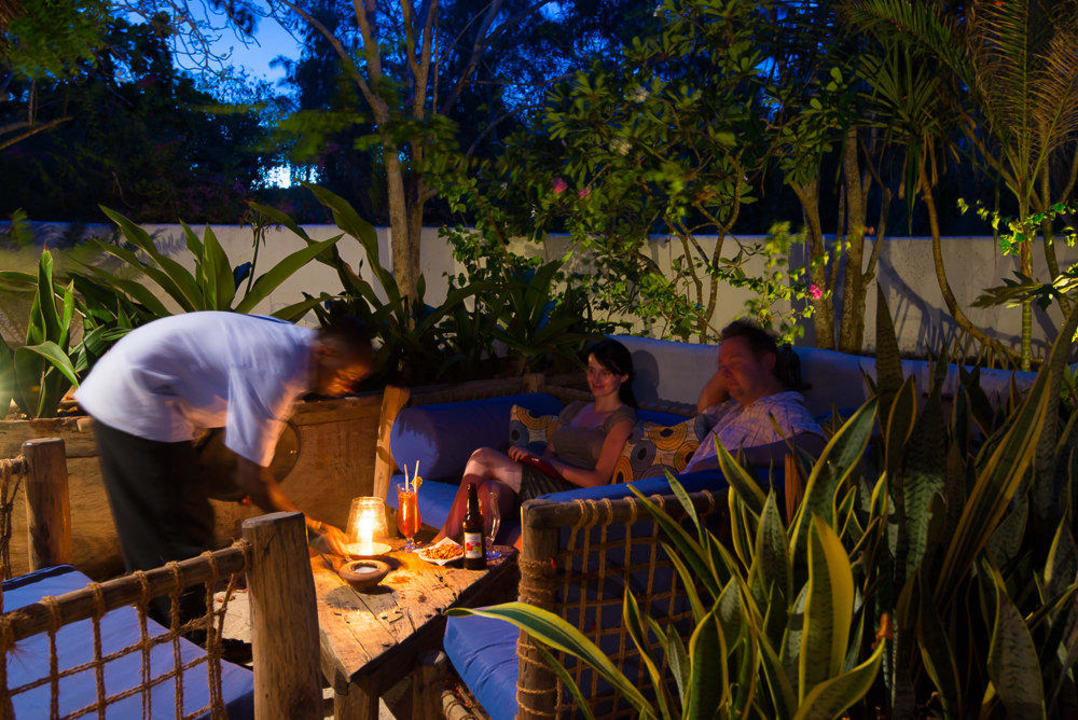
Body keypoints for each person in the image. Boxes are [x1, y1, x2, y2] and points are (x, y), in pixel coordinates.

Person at [75, 312, 374, 592]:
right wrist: (314, 530)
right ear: (326, 353)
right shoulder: (278, 369)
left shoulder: (293, 349)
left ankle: (169, 628)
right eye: (347, 376)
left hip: (140, 388)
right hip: (135, 393)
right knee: (177, 543)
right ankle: (184, 637)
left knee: (174, 532)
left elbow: (240, 445)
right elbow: (253, 478)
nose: (348, 388)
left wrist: (238, 482)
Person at [434, 339, 637, 545]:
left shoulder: (621, 420)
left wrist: (551, 465)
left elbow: (599, 480)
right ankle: (476, 563)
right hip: (541, 482)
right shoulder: (574, 409)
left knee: (482, 457)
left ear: (623, 377)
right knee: (489, 491)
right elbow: (547, 457)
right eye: (591, 370)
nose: (595, 378)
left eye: (605, 373)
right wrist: (531, 459)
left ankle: (441, 542)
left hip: (570, 492)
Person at [683, 320, 826, 472]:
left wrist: (732, 459)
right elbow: (705, 408)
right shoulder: (739, 408)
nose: (723, 374)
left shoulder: (781, 409)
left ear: (767, 362)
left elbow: (814, 446)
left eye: (736, 362)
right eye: (721, 367)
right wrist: (729, 367)